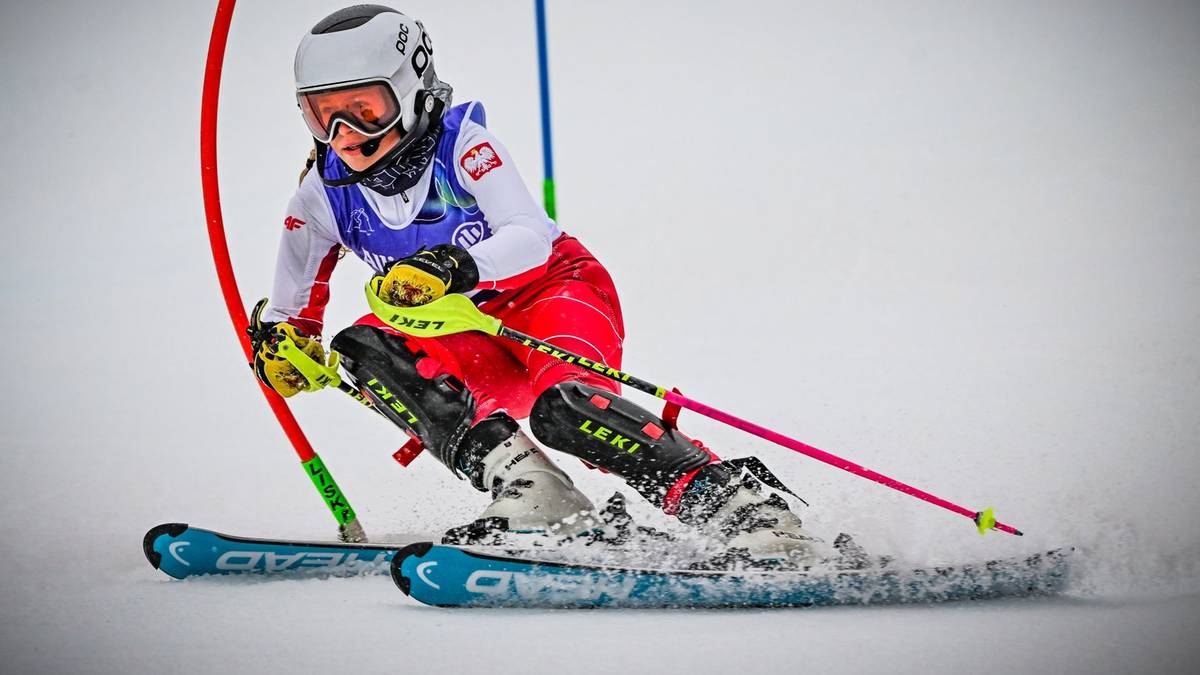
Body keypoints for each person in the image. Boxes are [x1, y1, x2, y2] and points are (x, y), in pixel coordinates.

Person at [249, 4, 825, 565]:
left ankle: (744, 512)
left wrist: (452, 266)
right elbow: (290, 307)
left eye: (364, 108)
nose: (346, 134)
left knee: (567, 408)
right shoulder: (322, 194)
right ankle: (539, 495)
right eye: (322, 115)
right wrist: (280, 345)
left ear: (412, 90)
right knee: (364, 347)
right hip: (462, 336)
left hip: (549, 296)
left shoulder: (463, 148)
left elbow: (527, 234)